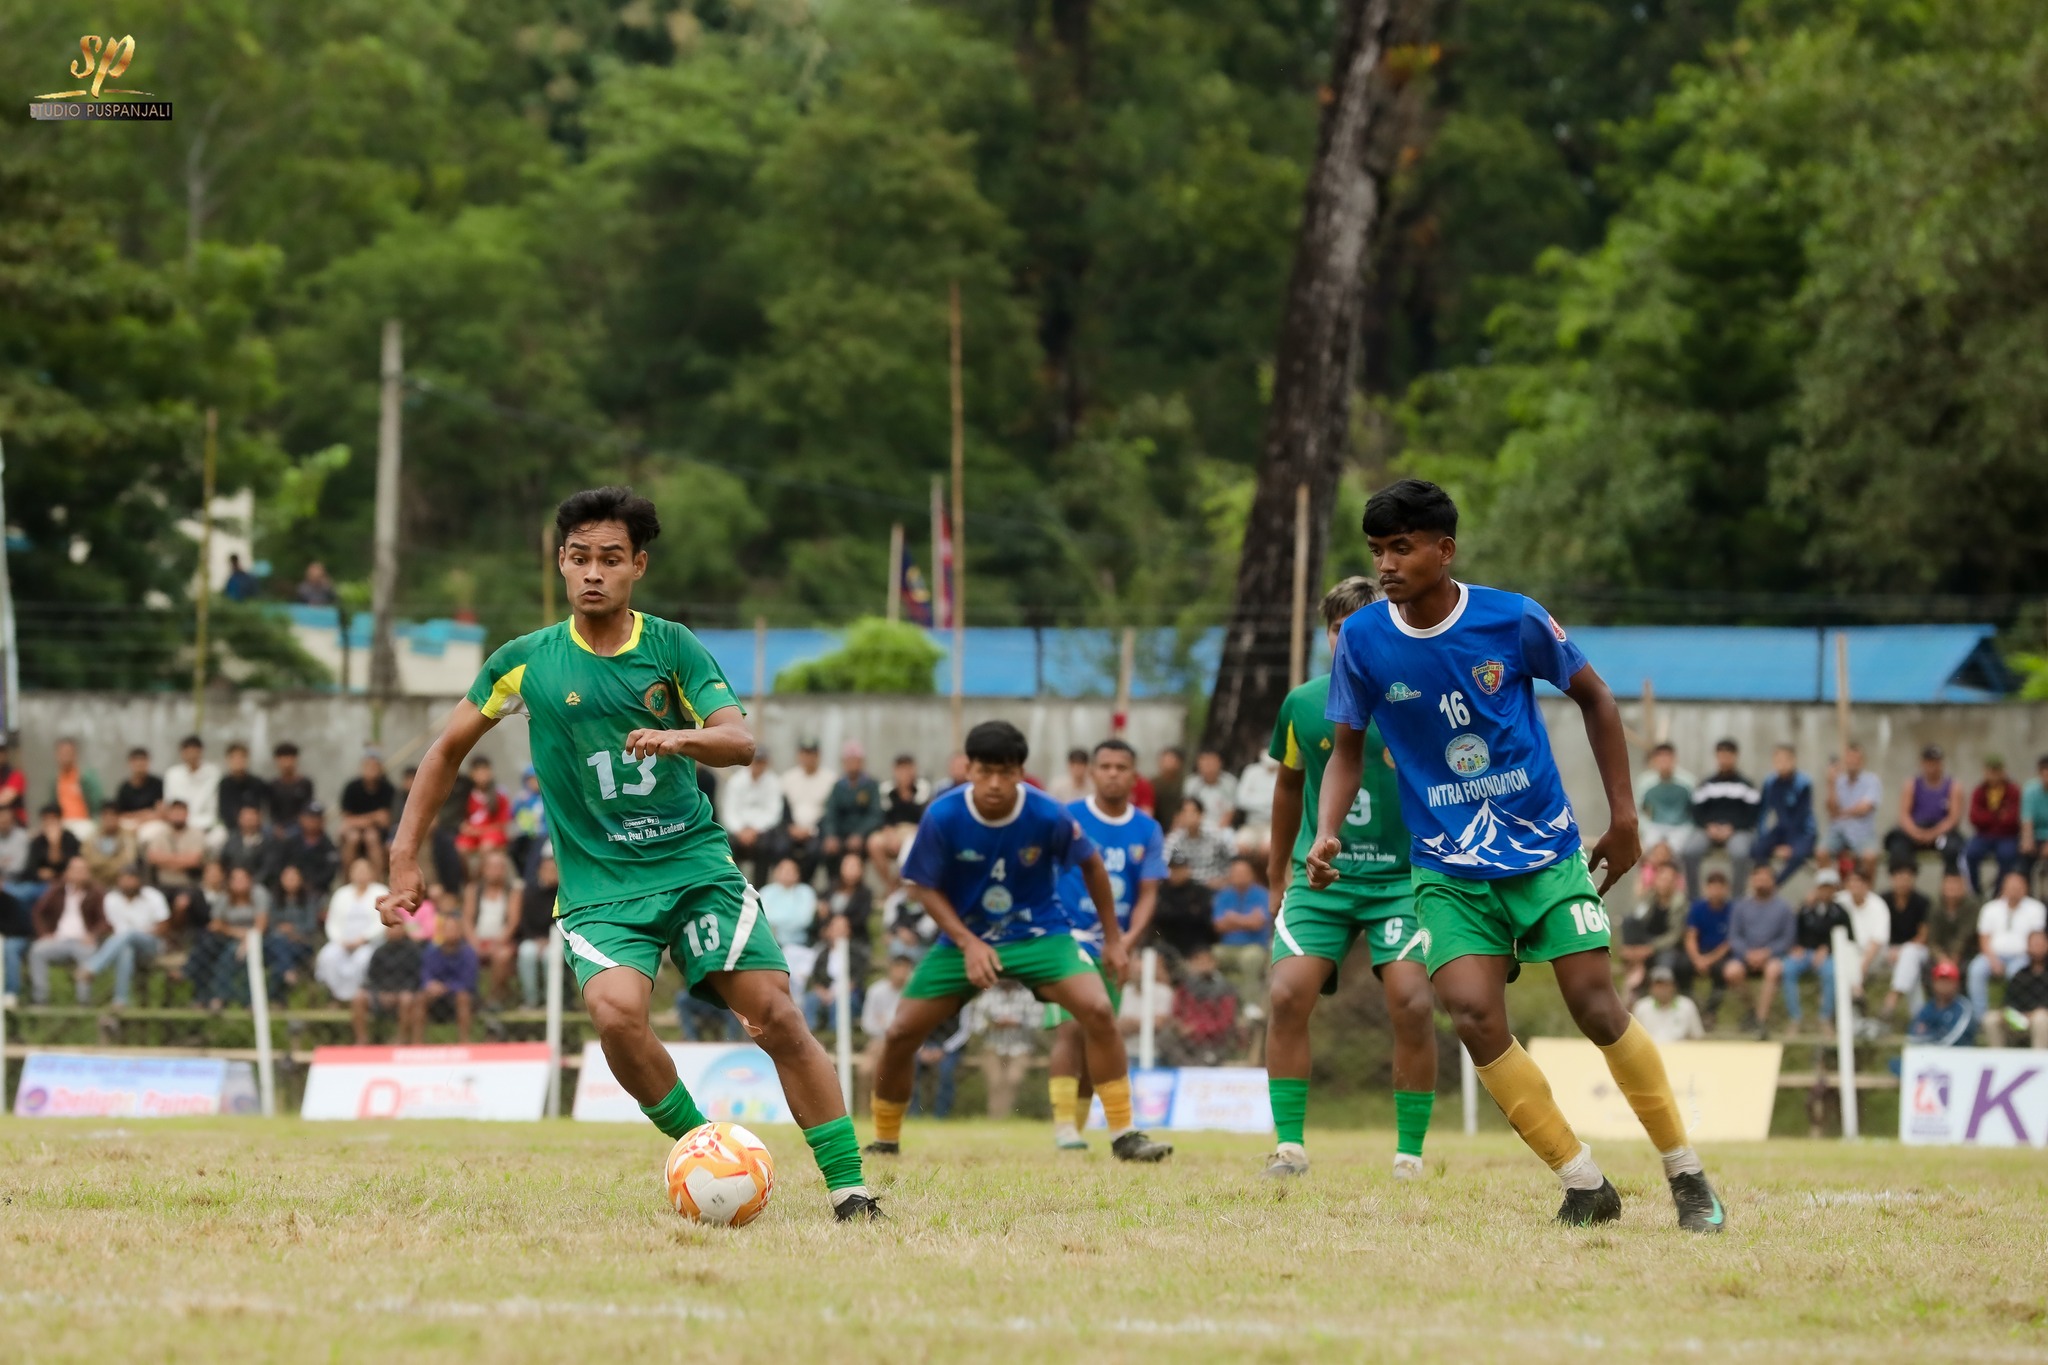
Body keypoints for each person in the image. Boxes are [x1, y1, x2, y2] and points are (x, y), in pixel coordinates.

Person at [377, 486, 876, 1219]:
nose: (592, 572)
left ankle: (851, 1189)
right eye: (579, 557)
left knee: (774, 1014)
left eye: (610, 558)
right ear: (560, 563)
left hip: (694, 869)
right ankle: (704, 1148)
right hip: (601, 886)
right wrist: (403, 855)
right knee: (614, 1014)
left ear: (637, 565)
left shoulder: (671, 645)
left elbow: (739, 740)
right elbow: (446, 749)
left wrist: (680, 735)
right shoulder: (525, 662)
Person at [1308, 478, 1721, 1232]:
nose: (1388, 564)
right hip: (1444, 862)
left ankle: (1686, 1172)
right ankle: (1583, 1179)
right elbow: (1345, 748)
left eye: (1401, 547)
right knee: (1470, 1012)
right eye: (1377, 550)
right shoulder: (1364, 639)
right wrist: (1326, 829)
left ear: (1444, 549)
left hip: (1542, 847)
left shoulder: (1513, 616)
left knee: (1596, 1006)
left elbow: (1596, 697)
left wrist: (1623, 816)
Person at [867, 718, 1171, 1163]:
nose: (994, 783)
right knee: (899, 1032)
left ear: (1020, 772)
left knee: (1098, 1010)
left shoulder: (1047, 813)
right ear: (967, 769)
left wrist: (1113, 940)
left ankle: (1125, 1136)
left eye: (1005, 772)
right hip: (964, 942)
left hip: (1041, 936)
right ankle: (885, 1141)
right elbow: (922, 886)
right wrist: (968, 942)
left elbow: (1092, 867)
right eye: (984, 771)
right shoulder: (943, 815)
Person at [1044, 738, 1165, 1152]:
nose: (1113, 773)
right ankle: (1064, 1128)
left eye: (1121, 767)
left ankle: (1076, 1130)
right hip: (1065, 938)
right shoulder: (1068, 817)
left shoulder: (1147, 829)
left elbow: (1148, 892)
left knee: (1099, 1032)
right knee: (1071, 1027)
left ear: (1134, 776)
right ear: (1092, 772)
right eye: (1106, 766)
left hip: (1114, 945)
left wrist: (1126, 940)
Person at [80, 864, 169, 1009]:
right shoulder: (111, 899)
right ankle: (120, 1001)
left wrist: (144, 933)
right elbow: (113, 928)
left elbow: (164, 926)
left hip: (151, 944)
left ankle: (93, 968)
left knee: (130, 934)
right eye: (124, 879)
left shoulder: (153, 896)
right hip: (123, 945)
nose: (127, 882)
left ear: (139, 880)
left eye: (131, 879)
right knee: (126, 949)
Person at [1722, 865, 1795, 1038]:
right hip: (1745, 956)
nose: (1761, 882)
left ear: (1773, 881)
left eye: (1765, 878)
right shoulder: (1741, 907)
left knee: (1773, 970)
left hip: (1772, 957)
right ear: (1752, 881)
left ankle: (1761, 1021)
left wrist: (1767, 953)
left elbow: (1787, 939)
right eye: (1758, 878)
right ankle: (1751, 1011)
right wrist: (1747, 953)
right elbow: (1734, 936)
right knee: (1731, 971)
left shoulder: (1784, 908)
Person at [1967, 870, 2047, 1019]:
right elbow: (1984, 938)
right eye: (2011, 887)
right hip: (1992, 955)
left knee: (2016, 973)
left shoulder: (2036, 908)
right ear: (2003, 888)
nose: (2014, 891)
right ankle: (1980, 1019)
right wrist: (1992, 960)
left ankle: (2016, 1017)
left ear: (2026, 888)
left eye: (2018, 887)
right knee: (1975, 970)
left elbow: (2037, 939)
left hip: (2023, 957)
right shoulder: (1990, 908)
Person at [28, 856, 105, 1004]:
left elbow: (105, 920)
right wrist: (44, 933)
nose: (79, 874)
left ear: (88, 873)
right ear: (67, 872)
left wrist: (93, 934)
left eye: (82, 870)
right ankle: (40, 999)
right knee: (37, 951)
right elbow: (38, 912)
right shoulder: (57, 890)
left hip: (83, 940)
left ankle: (84, 1002)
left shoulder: (96, 893)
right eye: (75, 870)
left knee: (87, 955)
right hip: (59, 939)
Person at [315, 858, 388, 1014]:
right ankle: (336, 997)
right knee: (328, 956)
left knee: (363, 959)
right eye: (357, 870)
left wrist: (363, 939)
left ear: (372, 873)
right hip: (343, 942)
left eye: (364, 870)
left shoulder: (380, 891)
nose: (361, 874)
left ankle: (356, 998)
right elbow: (332, 922)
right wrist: (340, 940)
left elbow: (383, 921)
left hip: (369, 943)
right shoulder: (341, 894)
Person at [1783, 869, 1849, 1035]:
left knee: (1831, 973)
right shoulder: (1806, 908)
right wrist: (1797, 946)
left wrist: (1827, 948)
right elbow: (1796, 930)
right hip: (1804, 952)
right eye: (1822, 887)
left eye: (1829, 888)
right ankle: (1795, 1018)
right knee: (1788, 968)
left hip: (1828, 955)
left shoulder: (1840, 912)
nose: (1825, 891)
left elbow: (1847, 936)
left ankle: (1825, 1017)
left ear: (1835, 889)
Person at [194, 866, 270, 1009]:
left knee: (230, 953)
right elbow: (215, 925)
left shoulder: (259, 894)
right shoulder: (225, 896)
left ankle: (219, 998)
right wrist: (239, 933)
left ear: (250, 880)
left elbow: (261, 925)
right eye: (235, 879)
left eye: (242, 879)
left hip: (259, 939)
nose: (238, 882)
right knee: (207, 944)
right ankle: (203, 996)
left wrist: (248, 940)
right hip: (230, 937)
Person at [1688, 740, 1760, 891]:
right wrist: (1708, 826)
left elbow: (1753, 814)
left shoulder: (1746, 785)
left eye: (1728, 755)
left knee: (1740, 854)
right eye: (1721, 755)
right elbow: (1696, 811)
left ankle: (1737, 900)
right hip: (1709, 829)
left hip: (1737, 830)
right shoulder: (1707, 784)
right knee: (1689, 851)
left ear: (1735, 757)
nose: (1724, 759)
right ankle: (1693, 898)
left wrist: (1732, 828)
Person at [1619, 861, 1689, 1004]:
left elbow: (1674, 936)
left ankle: (1657, 997)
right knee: (1628, 921)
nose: (1664, 883)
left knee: (1663, 969)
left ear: (1675, 882)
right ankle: (1635, 962)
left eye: (1669, 880)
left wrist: (1650, 949)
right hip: (1645, 941)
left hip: (1667, 947)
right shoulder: (1650, 896)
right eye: (1661, 878)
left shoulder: (1680, 902)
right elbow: (1636, 918)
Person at [1885, 745, 1962, 873]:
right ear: (1922, 763)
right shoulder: (1911, 785)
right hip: (1916, 831)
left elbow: (1953, 819)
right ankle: (1903, 885)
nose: (1932, 767)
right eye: (1929, 762)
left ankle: (1951, 888)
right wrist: (1917, 833)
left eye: (1935, 762)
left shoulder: (1954, 786)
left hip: (1940, 835)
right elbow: (1903, 816)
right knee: (1897, 844)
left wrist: (1932, 834)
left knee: (1953, 849)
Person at [1833, 867, 1890, 1033]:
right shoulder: (1838, 901)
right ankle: (1855, 1004)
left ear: (1867, 885)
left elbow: (1877, 942)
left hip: (1874, 957)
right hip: (1846, 955)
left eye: (1859, 882)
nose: (1855, 886)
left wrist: (1859, 969)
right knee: (1846, 959)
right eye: (1851, 882)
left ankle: (1853, 1012)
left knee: (1851, 967)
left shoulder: (1878, 905)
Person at [858, 949, 914, 1113]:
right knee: (865, 1071)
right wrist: (891, 1026)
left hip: (906, 1043)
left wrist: (887, 1023)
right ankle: (865, 1113)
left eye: (905, 968)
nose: (902, 972)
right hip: (878, 1041)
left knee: (885, 1071)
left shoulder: (913, 992)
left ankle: (891, 1113)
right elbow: (868, 1023)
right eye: (899, 968)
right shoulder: (876, 991)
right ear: (891, 968)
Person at [719, 749, 786, 885]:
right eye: (756, 762)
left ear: (767, 763)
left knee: (766, 847)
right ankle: (732, 885)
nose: (758, 766)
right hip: (739, 830)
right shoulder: (736, 781)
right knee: (727, 847)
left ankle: (760, 887)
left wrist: (755, 830)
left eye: (761, 762)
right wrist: (741, 830)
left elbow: (774, 813)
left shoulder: (773, 782)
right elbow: (729, 811)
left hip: (761, 831)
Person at [973, 979, 1039, 1118]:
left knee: (1013, 1079)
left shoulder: (1028, 995)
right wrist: (993, 1024)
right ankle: (996, 1117)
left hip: (1021, 1048)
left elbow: (1037, 1022)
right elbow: (976, 1026)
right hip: (992, 1047)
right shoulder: (988, 996)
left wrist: (1018, 1023)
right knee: (995, 1081)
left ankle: (1003, 1116)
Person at [463, 847, 520, 1005]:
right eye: (492, 866)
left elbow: (513, 921)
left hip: (501, 942)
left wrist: (498, 942)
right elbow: (466, 920)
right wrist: (474, 942)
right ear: (484, 869)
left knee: (502, 956)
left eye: (500, 867)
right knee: (465, 954)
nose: (496, 871)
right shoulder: (473, 890)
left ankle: (494, 1000)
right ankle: (469, 999)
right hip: (476, 940)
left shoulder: (512, 891)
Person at [411, 911, 479, 1043]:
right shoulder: (431, 951)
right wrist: (430, 985)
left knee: (463, 997)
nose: (449, 932)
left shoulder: (468, 953)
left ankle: (464, 1041)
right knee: (420, 997)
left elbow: (468, 982)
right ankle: (417, 1042)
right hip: (435, 998)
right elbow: (425, 974)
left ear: (460, 931)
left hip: (457, 997)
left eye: (453, 929)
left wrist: (447, 987)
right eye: (446, 929)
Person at [1210, 856, 1271, 999]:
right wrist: (1247, 920)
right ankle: (1221, 1004)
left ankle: (1251, 1005)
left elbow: (1258, 923)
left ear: (1252, 874)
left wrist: (1233, 918)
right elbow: (1218, 926)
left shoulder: (1262, 894)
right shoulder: (1223, 895)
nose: (1240, 876)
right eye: (1236, 873)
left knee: (1250, 958)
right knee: (1212, 955)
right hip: (1228, 947)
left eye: (1244, 873)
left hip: (1254, 946)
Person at [1877, 863, 1932, 1023]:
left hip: (1915, 949)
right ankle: (1920, 1019)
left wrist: (1901, 951)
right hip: (1887, 949)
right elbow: (1879, 931)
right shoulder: (1883, 900)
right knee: (1911, 972)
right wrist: (1890, 949)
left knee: (1910, 954)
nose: (1903, 882)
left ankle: (1893, 998)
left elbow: (1923, 936)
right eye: (1899, 877)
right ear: (1892, 879)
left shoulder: (1922, 902)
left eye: (1907, 877)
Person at [1756, 745, 1816, 883]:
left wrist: (1790, 846)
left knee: (1799, 855)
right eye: (1778, 760)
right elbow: (1763, 812)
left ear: (1793, 761)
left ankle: (1775, 884)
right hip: (1781, 828)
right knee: (1757, 849)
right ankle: (1765, 879)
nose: (1781, 764)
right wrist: (1763, 835)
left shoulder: (1803, 782)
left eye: (1785, 760)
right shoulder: (1770, 782)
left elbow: (1801, 815)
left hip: (1803, 831)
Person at [1962, 757, 2022, 896]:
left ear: (2003, 772)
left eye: (1997, 771)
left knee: (2008, 855)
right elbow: (1974, 817)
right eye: (1990, 771)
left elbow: (2012, 819)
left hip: (2007, 836)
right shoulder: (1979, 791)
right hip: (1983, 835)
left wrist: (1988, 817)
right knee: (1970, 853)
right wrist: (1997, 816)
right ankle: (1975, 891)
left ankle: (1999, 892)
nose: (1994, 775)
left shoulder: (2013, 790)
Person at [1636, 743, 1701, 868]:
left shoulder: (1688, 782)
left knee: (1676, 856)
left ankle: (1677, 883)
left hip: (1681, 827)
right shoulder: (1645, 782)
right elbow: (1638, 810)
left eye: (1667, 758)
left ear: (1675, 759)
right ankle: (1645, 884)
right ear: (1654, 760)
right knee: (1643, 853)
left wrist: (1689, 829)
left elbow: (1696, 812)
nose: (1664, 762)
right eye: (1660, 758)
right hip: (1655, 825)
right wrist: (1645, 828)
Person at [1823, 744, 1883, 875]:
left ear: (1862, 761)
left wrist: (1842, 813)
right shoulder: (1837, 781)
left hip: (1863, 833)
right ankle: (1829, 890)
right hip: (1838, 832)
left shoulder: (1872, 780)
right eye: (1849, 758)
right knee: (1821, 853)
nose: (1852, 762)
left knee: (1870, 857)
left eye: (1856, 758)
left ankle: (1866, 893)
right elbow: (1832, 811)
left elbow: (1864, 809)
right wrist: (1831, 784)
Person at [820, 741, 883, 864]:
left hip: (863, 835)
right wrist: (831, 834)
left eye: (856, 760)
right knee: (827, 849)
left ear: (862, 762)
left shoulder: (871, 785)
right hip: (841, 834)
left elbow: (875, 814)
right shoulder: (838, 786)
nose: (852, 764)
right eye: (849, 760)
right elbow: (830, 813)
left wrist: (860, 834)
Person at [780, 739, 834, 883]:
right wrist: (791, 827)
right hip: (792, 829)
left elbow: (829, 812)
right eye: (805, 754)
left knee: (816, 851)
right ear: (799, 755)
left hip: (817, 830)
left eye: (812, 754)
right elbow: (784, 808)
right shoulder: (788, 778)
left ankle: (805, 886)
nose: (808, 758)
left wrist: (811, 830)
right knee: (779, 847)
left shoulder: (829, 779)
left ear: (818, 756)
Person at [338, 749, 397, 879]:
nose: (371, 769)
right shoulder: (352, 788)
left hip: (379, 833)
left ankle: (377, 878)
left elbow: (386, 820)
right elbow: (347, 821)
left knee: (371, 837)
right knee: (353, 837)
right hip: (355, 831)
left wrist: (362, 821)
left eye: (375, 766)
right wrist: (373, 818)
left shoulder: (388, 789)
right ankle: (347, 878)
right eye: (368, 765)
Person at [1984, 930, 2048, 1049]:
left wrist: (2034, 1014)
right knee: (1991, 1019)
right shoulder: (2020, 975)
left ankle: (2039, 1062)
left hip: (2041, 1021)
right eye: (2034, 944)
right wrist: (2010, 1013)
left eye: (2040, 944)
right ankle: (1997, 1060)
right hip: (2019, 1020)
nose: (2037, 947)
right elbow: (2009, 1002)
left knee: (2041, 1018)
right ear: (2027, 947)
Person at [1151, 850, 1219, 961]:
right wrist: (1188, 911)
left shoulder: (1200, 891)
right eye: (1174, 869)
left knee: (1203, 956)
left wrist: (1175, 912)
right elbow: (1159, 917)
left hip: (1197, 942)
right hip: (1169, 942)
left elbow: (1204, 918)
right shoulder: (1162, 891)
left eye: (1180, 868)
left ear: (1187, 869)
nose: (1177, 873)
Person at [513, 852, 560, 1009]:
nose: (551, 874)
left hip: (557, 940)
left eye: (555, 870)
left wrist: (549, 940)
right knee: (527, 953)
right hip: (532, 938)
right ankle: (531, 1001)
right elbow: (523, 921)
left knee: (550, 956)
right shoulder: (529, 892)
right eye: (548, 870)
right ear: (540, 871)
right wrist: (536, 939)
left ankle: (552, 1002)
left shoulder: (563, 894)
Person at [268, 862, 321, 992]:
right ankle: (288, 972)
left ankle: (277, 995)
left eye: (293, 877)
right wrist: (283, 931)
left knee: (279, 951)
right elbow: (271, 924)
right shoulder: (274, 900)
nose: (290, 881)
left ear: (300, 879)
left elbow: (311, 925)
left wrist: (292, 931)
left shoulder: (309, 899)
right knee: (279, 944)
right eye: (287, 877)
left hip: (302, 942)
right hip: (279, 942)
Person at [1163, 796, 1233, 888]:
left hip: (1213, 887)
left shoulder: (1215, 836)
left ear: (1201, 815)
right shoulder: (1174, 841)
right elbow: (1164, 866)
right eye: (1185, 812)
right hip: (1186, 888)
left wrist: (1224, 880)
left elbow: (1232, 860)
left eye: (1193, 812)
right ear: (1178, 816)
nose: (1189, 816)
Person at [163, 735, 222, 843]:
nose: (191, 755)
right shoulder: (173, 774)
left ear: (201, 752)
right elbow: (169, 803)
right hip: (178, 823)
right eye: (188, 752)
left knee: (219, 836)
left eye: (194, 751)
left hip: (205, 823)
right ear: (182, 753)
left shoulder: (213, 773)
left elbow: (213, 807)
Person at [277, 803, 341, 898]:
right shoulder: (290, 842)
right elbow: (280, 864)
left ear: (322, 821)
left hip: (318, 890)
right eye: (310, 817)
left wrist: (311, 883)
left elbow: (329, 872)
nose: (313, 821)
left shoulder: (328, 846)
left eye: (316, 818)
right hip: (289, 888)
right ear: (301, 819)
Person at [141, 800, 207, 892]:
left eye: (181, 812)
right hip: (161, 885)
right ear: (169, 814)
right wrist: (180, 861)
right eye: (175, 812)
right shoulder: (160, 833)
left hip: (188, 886)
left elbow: (194, 860)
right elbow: (152, 857)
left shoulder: (196, 834)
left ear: (187, 814)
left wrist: (165, 861)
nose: (178, 815)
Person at [1908, 961, 1976, 1048]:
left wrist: (1929, 1036)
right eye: (1940, 980)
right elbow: (1913, 1036)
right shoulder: (1928, 1007)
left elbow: (1954, 1038)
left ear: (1957, 984)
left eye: (1949, 981)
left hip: (1959, 1056)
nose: (1944, 985)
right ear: (1933, 983)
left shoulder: (1964, 1007)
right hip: (1930, 1057)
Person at [455, 756, 512, 859]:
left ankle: (481, 874)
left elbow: (502, 825)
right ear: (471, 774)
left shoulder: (499, 795)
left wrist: (480, 831)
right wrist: (465, 827)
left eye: (484, 770)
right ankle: (467, 875)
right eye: (478, 771)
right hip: (472, 835)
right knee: (460, 847)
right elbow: (463, 820)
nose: (482, 775)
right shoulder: (467, 795)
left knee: (486, 846)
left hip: (493, 834)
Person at [47, 739, 105, 840]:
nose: (65, 756)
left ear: (75, 754)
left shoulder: (87, 778)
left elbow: (98, 804)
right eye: (62, 753)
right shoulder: (55, 781)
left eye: (68, 753)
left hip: (85, 822)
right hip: (62, 823)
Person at [1926, 870, 1980, 977]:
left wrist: (1953, 958)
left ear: (1964, 887)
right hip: (1942, 952)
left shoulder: (1972, 906)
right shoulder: (1936, 907)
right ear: (1942, 886)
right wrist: (1941, 958)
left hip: (1966, 952)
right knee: (1928, 968)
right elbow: (1932, 939)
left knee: (1966, 968)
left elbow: (1964, 935)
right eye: (1949, 884)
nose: (1952, 888)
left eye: (1956, 884)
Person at [1632, 966, 1705, 1044]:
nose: (1663, 989)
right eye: (1658, 985)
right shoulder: (1641, 1007)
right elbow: (1635, 1039)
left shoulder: (1687, 1005)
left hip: (1680, 1052)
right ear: (1651, 988)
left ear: (1673, 986)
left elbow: (1697, 1036)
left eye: (1666, 985)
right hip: (1651, 1053)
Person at [758, 856, 817, 947]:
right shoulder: (766, 892)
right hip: (771, 942)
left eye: (791, 870)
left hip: (800, 943)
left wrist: (776, 923)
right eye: (783, 870)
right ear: (776, 872)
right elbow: (763, 917)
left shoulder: (806, 892)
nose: (787, 873)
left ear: (798, 874)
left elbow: (805, 920)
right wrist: (790, 917)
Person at [218, 802, 277, 887]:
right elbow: (224, 863)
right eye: (245, 816)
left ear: (259, 818)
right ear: (239, 819)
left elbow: (267, 869)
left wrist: (250, 883)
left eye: (252, 815)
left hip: (259, 885)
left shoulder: (269, 842)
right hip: (232, 885)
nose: (249, 819)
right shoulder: (231, 840)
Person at [26, 805, 81, 894]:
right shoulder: (38, 841)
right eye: (45, 819)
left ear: (60, 820)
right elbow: (30, 869)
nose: (49, 823)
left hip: (66, 883)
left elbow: (73, 864)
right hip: (40, 884)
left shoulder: (70, 839)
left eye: (53, 819)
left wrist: (54, 845)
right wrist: (40, 874)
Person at [81, 802, 138, 888]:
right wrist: (112, 863)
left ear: (118, 817)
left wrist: (102, 865)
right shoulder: (91, 837)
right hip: (96, 883)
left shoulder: (128, 836)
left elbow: (127, 861)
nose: (109, 819)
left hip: (120, 884)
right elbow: (89, 861)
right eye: (105, 816)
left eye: (112, 815)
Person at [113, 747, 165, 838]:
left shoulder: (157, 784)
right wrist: (141, 815)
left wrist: (144, 819)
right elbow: (120, 814)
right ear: (130, 763)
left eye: (143, 761)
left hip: (152, 823)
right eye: (136, 761)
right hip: (131, 823)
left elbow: (160, 811)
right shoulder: (124, 788)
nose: (140, 765)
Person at [216, 742, 268, 833]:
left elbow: (263, 807)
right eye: (234, 757)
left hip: (255, 827)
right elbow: (223, 811)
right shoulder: (224, 784)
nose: (238, 761)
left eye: (241, 757)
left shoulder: (257, 783)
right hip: (231, 827)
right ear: (228, 760)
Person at [1183, 750, 1237, 833]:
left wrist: (1218, 830)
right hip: (1196, 826)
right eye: (1204, 763)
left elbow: (1230, 811)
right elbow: (1187, 809)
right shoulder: (1191, 783)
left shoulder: (1230, 782)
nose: (1208, 766)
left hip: (1220, 826)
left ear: (1220, 763)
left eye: (1211, 763)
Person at [266, 743, 314, 834]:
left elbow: (308, 808)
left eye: (290, 758)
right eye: (283, 759)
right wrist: (277, 827)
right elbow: (272, 812)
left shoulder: (305, 783)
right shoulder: (273, 785)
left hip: (300, 827)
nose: (287, 763)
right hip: (278, 827)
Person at [881, 754, 929, 829]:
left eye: (908, 769)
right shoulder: (887, 790)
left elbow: (924, 817)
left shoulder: (922, 789)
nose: (904, 774)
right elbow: (884, 818)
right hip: (893, 831)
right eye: (901, 770)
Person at [2022, 754, 2048, 891]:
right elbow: (2027, 817)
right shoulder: (2031, 790)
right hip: (2036, 835)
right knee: (2021, 861)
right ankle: (2026, 895)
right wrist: (2027, 839)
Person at [1149, 747, 1186, 828]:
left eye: (1171, 760)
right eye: (1164, 760)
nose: (1167, 763)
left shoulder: (1185, 783)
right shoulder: (1152, 783)